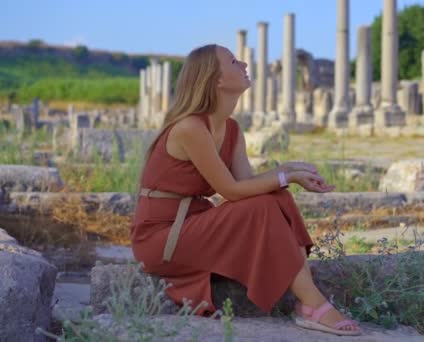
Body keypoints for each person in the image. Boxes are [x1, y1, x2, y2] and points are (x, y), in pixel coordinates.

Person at [131, 44, 361, 336]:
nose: (244, 64)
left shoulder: (232, 129)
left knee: (275, 197)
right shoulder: (190, 127)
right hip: (162, 237)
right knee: (265, 202)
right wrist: (285, 174)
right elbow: (231, 190)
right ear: (216, 79)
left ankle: (307, 301)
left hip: (192, 225)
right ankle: (312, 303)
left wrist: (291, 171)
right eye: (234, 61)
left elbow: (249, 185)